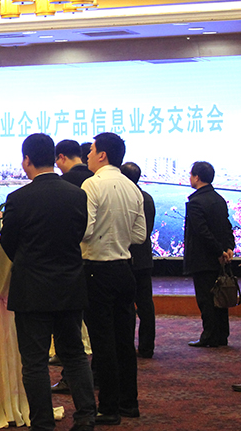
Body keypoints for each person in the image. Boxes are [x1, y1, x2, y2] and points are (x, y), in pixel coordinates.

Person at [0, 134, 96, 431]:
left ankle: (42, 424)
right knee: (75, 355)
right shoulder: (76, 195)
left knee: (35, 362)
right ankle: (86, 417)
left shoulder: (18, 199)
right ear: (54, 158)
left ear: (26, 160)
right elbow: (79, 233)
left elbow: (8, 243)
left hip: (32, 290)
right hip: (69, 286)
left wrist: (29, 261)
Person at [81, 132, 146, 425]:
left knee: (103, 342)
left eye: (91, 150)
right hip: (125, 270)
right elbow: (139, 236)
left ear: (103, 155)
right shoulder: (133, 188)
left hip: (97, 271)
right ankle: (128, 403)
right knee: (124, 341)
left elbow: (86, 231)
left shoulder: (92, 184)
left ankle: (108, 407)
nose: (88, 155)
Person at [184, 161, 235, 348]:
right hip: (219, 258)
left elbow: (202, 232)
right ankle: (221, 335)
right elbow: (226, 226)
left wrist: (219, 251)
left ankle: (209, 336)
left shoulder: (195, 202)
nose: (190, 178)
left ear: (197, 177)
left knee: (206, 299)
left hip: (202, 259)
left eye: (191, 175)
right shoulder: (219, 198)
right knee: (219, 298)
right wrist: (228, 248)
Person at [120, 162, 157, 358]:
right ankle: (147, 347)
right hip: (144, 259)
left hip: (126, 258)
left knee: (125, 305)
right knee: (145, 305)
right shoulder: (147, 198)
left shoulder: (124, 199)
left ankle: (125, 345)